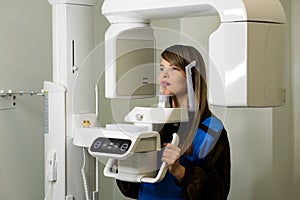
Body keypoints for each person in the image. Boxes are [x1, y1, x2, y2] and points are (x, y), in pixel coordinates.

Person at [116, 44, 231, 200]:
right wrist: (124, 162)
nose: (164, 76)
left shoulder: (210, 130)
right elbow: (132, 190)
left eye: (174, 69)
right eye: (162, 68)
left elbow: (218, 194)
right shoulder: (153, 122)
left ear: (192, 75)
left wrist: (179, 171)